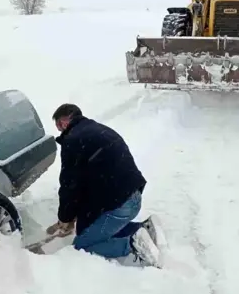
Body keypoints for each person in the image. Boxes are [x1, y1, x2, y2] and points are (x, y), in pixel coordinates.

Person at [44, 103, 167, 267]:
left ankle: (133, 244)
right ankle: (145, 228)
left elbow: (70, 186)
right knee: (90, 230)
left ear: (65, 121)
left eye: (59, 125)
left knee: (82, 245)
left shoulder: (73, 141)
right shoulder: (99, 130)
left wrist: (65, 218)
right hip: (133, 196)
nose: (59, 130)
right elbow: (85, 182)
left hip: (119, 206)